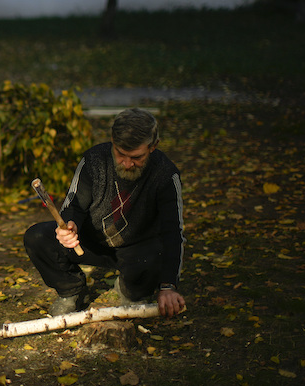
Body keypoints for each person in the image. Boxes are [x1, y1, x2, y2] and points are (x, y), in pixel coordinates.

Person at [23, 108, 186, 318]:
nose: (127, 164)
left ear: (153, 147)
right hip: (92, 242)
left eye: (136, 157)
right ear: (112, 141)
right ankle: (71, 292)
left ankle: (130, 292)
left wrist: (168, 287)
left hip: (137, 251)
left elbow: (173, 233)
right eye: (121, 154)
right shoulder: (94, 160)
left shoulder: (166, 174)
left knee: (156, 254)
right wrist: (69, 226)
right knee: (37, 237)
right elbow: (73, 206)